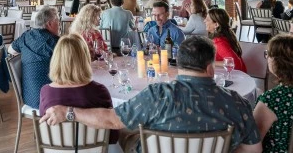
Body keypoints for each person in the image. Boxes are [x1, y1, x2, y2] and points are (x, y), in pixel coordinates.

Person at [40, 36, 262, 153]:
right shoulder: (237, 103)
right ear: (211, 67)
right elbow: (253, 149)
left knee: (133, 136)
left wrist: (68, 112)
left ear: (179, 64)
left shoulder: (157, 95)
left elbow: (112, 120)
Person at [39, 33, 118, 144]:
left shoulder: (46, 92)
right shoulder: (99, 91)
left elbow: (45, 131)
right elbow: (112, 138)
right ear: (84, 59)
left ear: (56, 59)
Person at [8, 6, 60, 109]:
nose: (59, 25)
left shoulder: (26, 36)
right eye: (57, 21)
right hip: (49, 99)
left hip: (30, 97)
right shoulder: (54, 42)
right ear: (49, 23)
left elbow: (10, 49)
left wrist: (29, 55)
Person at [254, 34, 293, 152]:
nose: (267, 58)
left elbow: (252, 144)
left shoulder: (271, 99)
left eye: (268, 54)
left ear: (278, 61)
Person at [205, 8, 247, 72]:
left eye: (207, 19)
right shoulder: (225, 35)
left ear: (216, 24)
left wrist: (211, 62)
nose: (204, 21)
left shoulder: (219, 42)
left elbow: (235, 63)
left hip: (235, 77)